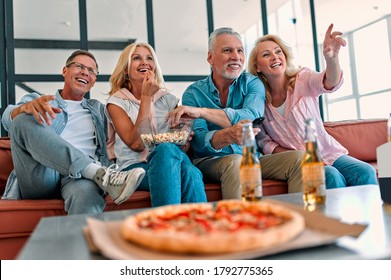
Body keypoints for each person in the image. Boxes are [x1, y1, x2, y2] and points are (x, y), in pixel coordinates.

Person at [1, 50, 146, 214]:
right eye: (79, 66)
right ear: (65, 71)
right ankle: (95, 172)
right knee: (21, 119)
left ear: (93, 82)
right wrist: (22, 109)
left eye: (91, 70)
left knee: (86, 194)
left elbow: (129, 133)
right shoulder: (41, 101)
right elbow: (7, 119)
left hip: (81, 179)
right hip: (42, 174)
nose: (85, 72)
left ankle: (94, 174)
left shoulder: (99, 110)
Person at [168, 27, 305, 198]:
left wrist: (202, 112)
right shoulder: (193, 93)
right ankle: (242, 223)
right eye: (227, 50)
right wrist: (229, 135)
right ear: (210, 57)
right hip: (211, 161)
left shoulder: (252, 83)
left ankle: (300, 222)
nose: (236, 57)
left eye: (240, 50)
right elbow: (200, 143)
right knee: (235, 162)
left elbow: (251, 117)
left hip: (252, 157)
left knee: (301, 160)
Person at [247, 24, 377, 188]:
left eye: (278, 51)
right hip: (299, 161)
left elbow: (330, 82)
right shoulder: (259, 101)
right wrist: (302, 156)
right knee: (331, 176)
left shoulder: (302, 78)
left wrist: (332, 59)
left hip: (328, 152)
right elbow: (265, 143)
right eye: (266, 54)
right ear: (257, 67)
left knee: (366, 172)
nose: (274, 56)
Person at [105, 42, 207, 207]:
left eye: (149, 58)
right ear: (125, 69)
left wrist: (181, 140)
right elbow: (137, 144)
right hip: (134, 169)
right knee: (187, 170)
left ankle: (182, 229)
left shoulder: (168, 100)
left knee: (176, 159)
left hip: (172, 160)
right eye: (136, 58)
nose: (144, 62)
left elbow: (181, 145)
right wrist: (146, 97)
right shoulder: (116, 103)